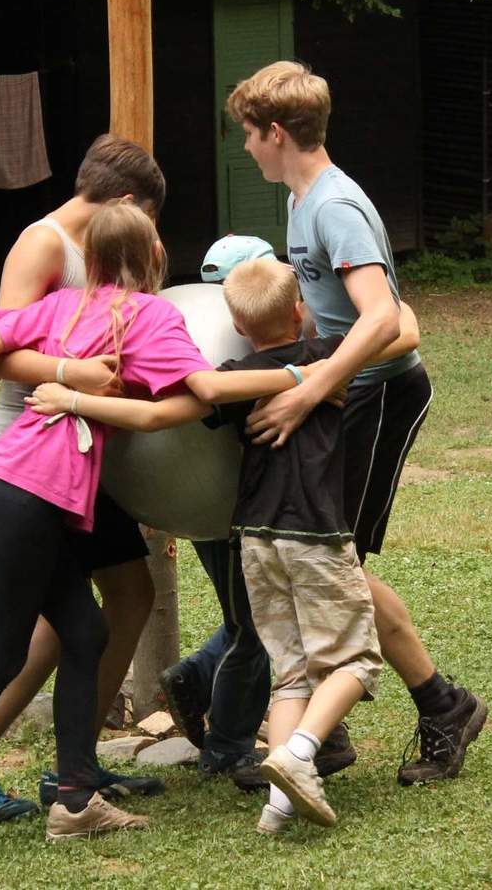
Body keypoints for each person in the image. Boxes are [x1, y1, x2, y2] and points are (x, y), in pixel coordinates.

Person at [0, 202, 320, 856]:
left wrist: (64, 374)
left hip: (1, 483)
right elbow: (204, 387)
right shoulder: (149, 315)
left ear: (91, 259)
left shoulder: (62, 305)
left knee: (85, 632)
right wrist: (304, 373)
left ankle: (75, 802)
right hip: (26, 495)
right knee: (0, 656)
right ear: (154, 257)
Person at [26, 255, 418, 834]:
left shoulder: (231, 374)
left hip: (254, 537)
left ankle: (278, 805)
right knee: (356, 660)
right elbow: (400, 326)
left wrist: (75, 399)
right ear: (300, 311)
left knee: (290, 673)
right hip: (315, 533)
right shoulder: (326, 356)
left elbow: (156, 413)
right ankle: (300, 750)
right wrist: (324, 367)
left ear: (234, 324)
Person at [225, 61, 488, 787]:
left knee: (332, 562)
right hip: (347, 394)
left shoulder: (335, 207)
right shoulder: (302, 200)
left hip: (377, 397)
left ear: (276, 132)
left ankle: (443, 706)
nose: (245, 146)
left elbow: (384, 319)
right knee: (326, 561)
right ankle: (332, 731)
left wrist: (308, 390)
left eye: (248, 133)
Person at [0, 135, 173, 823]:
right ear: (127, 202)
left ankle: (77, 767)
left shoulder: (99, 251)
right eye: (149, 219)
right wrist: (75, 377)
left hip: (86, 454)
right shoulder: (42, 244)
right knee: (49, 627)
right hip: (36, 454)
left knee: (129, 594)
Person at [158, 234, 354, 786]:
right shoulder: (308, 358)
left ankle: (200, 675)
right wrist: (310, 379)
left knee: (251, 619)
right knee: (253, 628)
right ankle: (228, 747)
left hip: (220, 509)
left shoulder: (229, 364)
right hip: (248, 515)